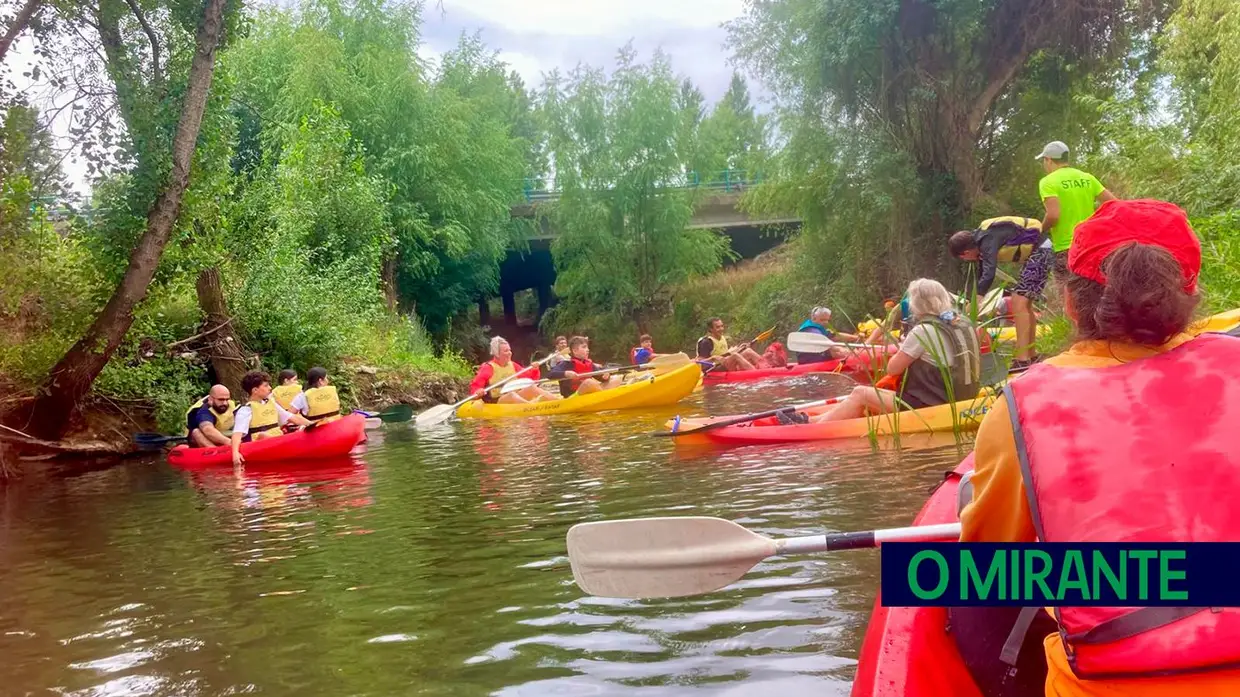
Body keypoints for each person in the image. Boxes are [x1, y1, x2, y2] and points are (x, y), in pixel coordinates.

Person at [956, 199, 1240, 697]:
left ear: (1069, 302)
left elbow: (990, 568)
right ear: (1190, 293)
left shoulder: (1021, 407)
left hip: (1115, 680)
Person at [792, 279, 981, 424]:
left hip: (931, 404)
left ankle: (812, 428)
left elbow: (893, 369)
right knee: (864, 397)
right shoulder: (962, 323)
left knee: (860, 393)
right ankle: (811, 420)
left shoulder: (923, 331)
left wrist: (904, 346)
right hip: (963, 397)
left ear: (917, 303)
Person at [949, 215, 1050, 369]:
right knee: (1023, 301)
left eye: (964, 258)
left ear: (965, 253)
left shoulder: (987, 240)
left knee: (1019, 301)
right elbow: (983, 275)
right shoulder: (981, 242)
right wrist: (974, 301)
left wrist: (978, 300)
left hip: (1041, 251)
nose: (967, 260)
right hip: (1041, 251)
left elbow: (989, 274)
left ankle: (1023, 359)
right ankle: (1030, 355)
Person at [1035, 140, 1117, 275]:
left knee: (1066, 292)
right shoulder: (1087, 178)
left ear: (1048, 160)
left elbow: (1053, 215)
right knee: (1091, 290)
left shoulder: (1048, 182)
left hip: (1066, 248)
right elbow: (1114, 204)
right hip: (1091, 245)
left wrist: (1039, 231)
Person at [230, 370, 312, 466]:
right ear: (255, 390)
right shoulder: (246, 410)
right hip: (261, 446)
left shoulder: (271, 403)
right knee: (263, 435)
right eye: (266, 386)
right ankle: (291, 448)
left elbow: (291, 417)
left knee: (301, 429)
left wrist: (312, 424)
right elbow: (237, 434)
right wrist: (235, 452)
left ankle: (291, 446)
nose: (270, 388)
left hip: (278, 440)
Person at [468, 336, 560, 405]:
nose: (509, 353)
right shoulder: (488, 368)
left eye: (509, 350)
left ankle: (558, 402)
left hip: (514, 395)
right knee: (511, 395)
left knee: (531, 388)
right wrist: (478, 391)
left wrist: (534, 369)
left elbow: (530, 379)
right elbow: (475, 386)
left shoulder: (513, 365)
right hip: (495, 400)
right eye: (506, 351)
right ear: (497, 353)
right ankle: (532, 408)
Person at [548, 336, 624, 397]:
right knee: (588, 382)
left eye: (587, 347)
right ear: (575, 351)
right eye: (584, 347)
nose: (587, 350)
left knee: (617, 378)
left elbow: (601, 378)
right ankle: (606, 397)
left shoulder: (589, 364)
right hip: (572, 397)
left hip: (589, 394)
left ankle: (603, 397)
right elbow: (550, 375)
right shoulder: (566, 364)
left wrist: (606, 377)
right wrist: (566, 373)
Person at [696, 317, 767, 371]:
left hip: (726, 363)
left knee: (748, 351)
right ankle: (755, 373)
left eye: (722, 326)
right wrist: (713, 358)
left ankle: (767, 367)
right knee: (735, 355)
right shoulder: (705, 342)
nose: (721, 329)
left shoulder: (722, 338)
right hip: (715, 368)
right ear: (710, 329)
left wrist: (739, 348)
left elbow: (727, 353)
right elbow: (700, 364)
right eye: (718, 327)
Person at [796, 306, 861, 361]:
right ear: (814, 318)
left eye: (827, 320)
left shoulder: (819, 328)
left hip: (818, 355)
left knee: (836, 350)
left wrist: (855, 337)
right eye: (822, 320)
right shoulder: (810, 330)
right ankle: (857, 358)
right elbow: (824, 344)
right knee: (835, 352)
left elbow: (835, 336)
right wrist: (842, 350)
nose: (826, 322)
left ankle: (855, 355)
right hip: (809, 360)